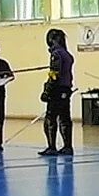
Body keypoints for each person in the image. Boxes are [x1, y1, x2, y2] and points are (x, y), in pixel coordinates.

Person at [40, 28, 75, 157]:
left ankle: (52, 147)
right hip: (66, 89)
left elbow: (55, 74)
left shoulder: (56, 54)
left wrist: (47, 91)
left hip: (57, 89)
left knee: (50, 118)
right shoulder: (67, 54)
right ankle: (67, 146)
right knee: (65, 118)